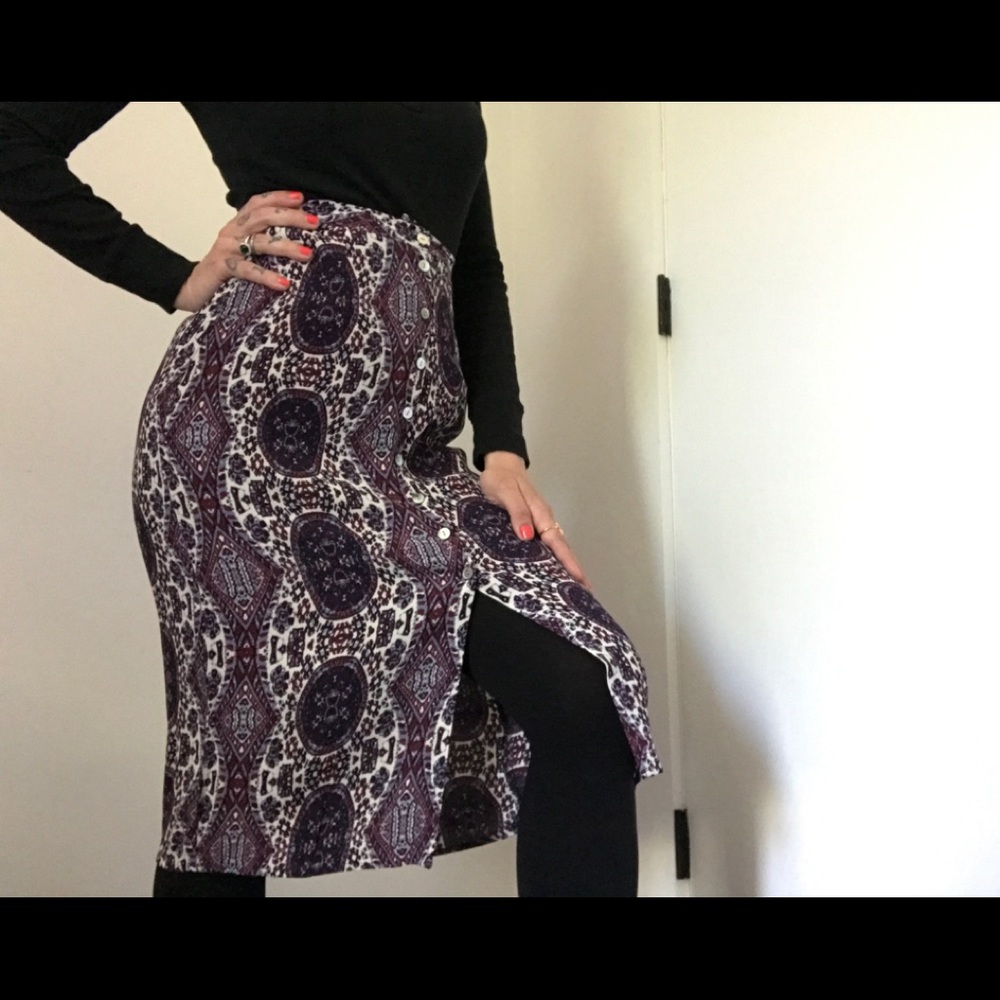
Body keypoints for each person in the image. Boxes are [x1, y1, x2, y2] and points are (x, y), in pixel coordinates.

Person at [0, 102, 661, 897]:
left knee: (584, 693)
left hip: (403, 446)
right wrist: (172, 277)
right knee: (229, 787)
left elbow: (474, 266)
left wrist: (502, 445)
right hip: (243, 440)